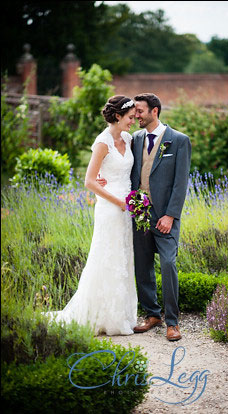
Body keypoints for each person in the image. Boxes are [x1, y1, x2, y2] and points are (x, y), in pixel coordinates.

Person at [46, 95, 138, 335]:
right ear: (117, 116)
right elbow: (89, 181)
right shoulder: (102, 142)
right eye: (130, 117)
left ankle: (122, 315)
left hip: (127, 207)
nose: (133, 121)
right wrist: (117, 201)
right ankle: (101, 316)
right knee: (106, 258)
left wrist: (131, 202)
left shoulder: (128, 139)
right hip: (110, 208)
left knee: (124, 258)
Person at [129, 93, 192, 342]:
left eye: (140, 111)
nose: (136, 115)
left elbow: (180, 183)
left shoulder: (178, 141)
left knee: (168, 264)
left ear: (154, 111)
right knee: (142, 266)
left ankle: (173, 322)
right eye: (134, 111)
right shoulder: (135, 139)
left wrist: (170, 215)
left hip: (165, 216)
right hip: (140, 214)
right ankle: (152, 314)